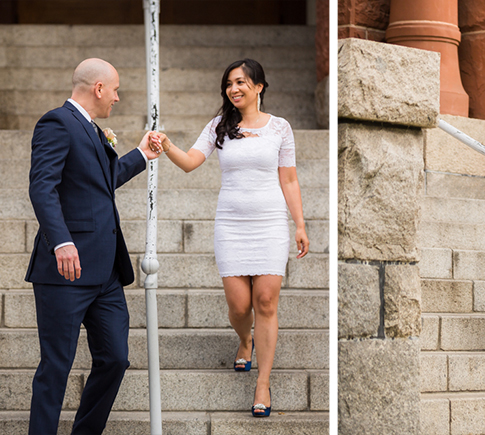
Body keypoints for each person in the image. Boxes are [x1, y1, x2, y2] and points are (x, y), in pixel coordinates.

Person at [149, 58, 308, 417]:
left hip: (269, 222)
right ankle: (245, 338)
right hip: (231, 225)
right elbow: (191, 161)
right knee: (239, 307)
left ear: (259, 87)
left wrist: (299, 223)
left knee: (265, 301)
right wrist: (167, 145)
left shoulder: (280, 128)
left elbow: (289, 179)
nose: (233, 89)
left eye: (240, 82)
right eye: (228, 84)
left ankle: (262, 384)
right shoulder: (219, 126)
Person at [25, 58, 159, 435]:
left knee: (115, 358)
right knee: (56, 367)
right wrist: (61, 241)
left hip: (106, 274)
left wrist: (140, 155)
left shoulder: (94, 130)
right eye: (114, 89)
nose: (117, 97)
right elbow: (42, 187)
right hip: (65, 271)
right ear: (98, 88)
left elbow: (102, 181)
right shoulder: (57, 122)